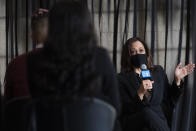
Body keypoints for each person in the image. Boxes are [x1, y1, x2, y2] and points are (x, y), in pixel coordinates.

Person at [4, 2, 121, 130]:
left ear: (52, 25)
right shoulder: (100, 56)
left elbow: (37, 106)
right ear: (86, 25)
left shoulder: (33, 60)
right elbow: (115, 107)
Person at [118, 37, 195, 131]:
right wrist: (140, 93)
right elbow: (124, 109)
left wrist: (177, 80)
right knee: (146, 112)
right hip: (136, 124)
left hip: (158, 124)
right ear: (128, 56)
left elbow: (170, 101)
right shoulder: (121, 79)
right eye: (133, 52)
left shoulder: (158, 72)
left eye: (141, 50)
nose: (138, 54)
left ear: (146, 52)